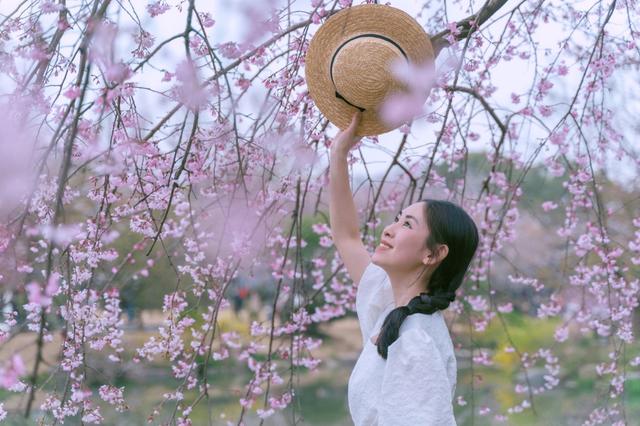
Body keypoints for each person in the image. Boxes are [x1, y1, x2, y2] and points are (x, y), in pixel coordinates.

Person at [329, 111, 479, 425]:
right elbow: (346, 237)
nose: (389, 229)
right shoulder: (391, 306)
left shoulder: (415, 338)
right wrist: (339, 155)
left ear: (433, 254)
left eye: (407, 224)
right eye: (397, 218)